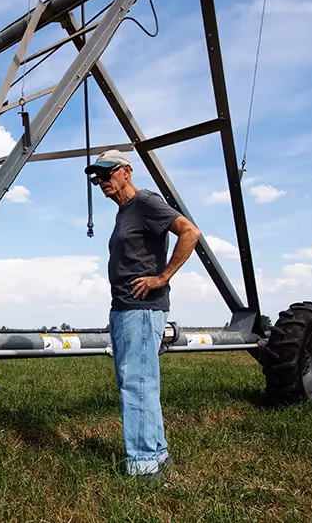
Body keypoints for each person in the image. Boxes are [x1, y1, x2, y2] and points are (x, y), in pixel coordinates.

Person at [85, 150, 201, 480]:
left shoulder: (146, 202)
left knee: (137, 384)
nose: (102, 181)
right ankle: (158, 454)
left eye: (107, 174)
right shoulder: (124, 212)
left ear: (126, 171)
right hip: (124, 308)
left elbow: (190, 232)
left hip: (142, 310)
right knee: (136, 382)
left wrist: (162, 277)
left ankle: (144, 466)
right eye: (97, 178)